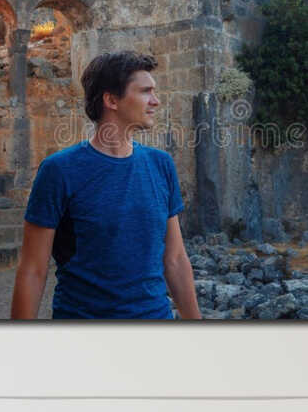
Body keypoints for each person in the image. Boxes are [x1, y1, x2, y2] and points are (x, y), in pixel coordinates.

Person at [11, 50, 202, 320]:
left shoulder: (161, 165)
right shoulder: (59, 171)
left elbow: (175, 259)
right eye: (146, 91)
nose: (156, 101)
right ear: (111, 99)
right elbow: (33, 269)